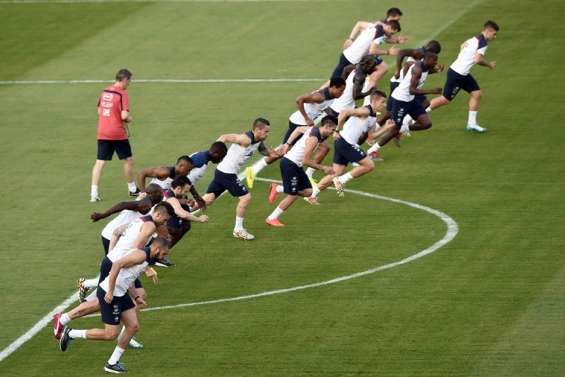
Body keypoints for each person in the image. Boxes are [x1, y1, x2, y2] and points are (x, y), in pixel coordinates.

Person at [53, 203, 174, 352]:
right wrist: (147, 268)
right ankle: (64, 320)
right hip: (120, 263)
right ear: (159, 214)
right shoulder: (149, 226)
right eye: (165, 219)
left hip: (118, 261)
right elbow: (137, 248)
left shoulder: (142, 219)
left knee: (133, 296)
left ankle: (127, 333)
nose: (165, 223)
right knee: (102, 301)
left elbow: (120, 233)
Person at [58, 238, 170, 374]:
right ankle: (71, 333)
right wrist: (110, 291)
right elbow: (116, 265)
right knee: (110, 334)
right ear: (157, 249)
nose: (164, 257)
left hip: (121, 293)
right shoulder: (141, 255)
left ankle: (112, 363)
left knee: (133, 326)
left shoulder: (148, 258)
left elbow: (128, 277)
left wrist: (136, 297)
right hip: (110, 293)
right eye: (164, 254)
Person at [244, 78, 346, 187]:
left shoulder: (331, 96)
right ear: (333, 87)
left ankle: (254, 170)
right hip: (299, 123)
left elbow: (323, 108)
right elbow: (299, 99)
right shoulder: (320, 97)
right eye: (340, 90)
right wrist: (306, 118)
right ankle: (307, 175)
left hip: (298, 122)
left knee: (285, 149)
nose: (342, 93)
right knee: (322, 148)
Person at [75, 183, 164, 303]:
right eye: (159, 194)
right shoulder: (145, 204)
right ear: (152, 194)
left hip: (119, 235)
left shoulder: (149, 203)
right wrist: (102, 215)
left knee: (117, 272)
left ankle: (90, 294)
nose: (162, 196)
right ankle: (88, 289)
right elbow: (122, 205)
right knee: (115, 272)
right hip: (114, 236)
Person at [201, 118, 277, 240]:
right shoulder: (245, 139)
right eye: (266, 131)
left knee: (208, 199)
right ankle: (238, 230)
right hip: (227, 173)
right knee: (245, 198)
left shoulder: (258, 140)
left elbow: (265, 151)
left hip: (223, 171)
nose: (267, 134)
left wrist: (279, 153)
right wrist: (215, 152)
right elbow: (224, 137)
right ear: (257, 129)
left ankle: (180, 211)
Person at [311, 91, 392, 198]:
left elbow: (371, 137)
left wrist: (386, 128)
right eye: (382, 102)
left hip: (342, 142)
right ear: (375, 101)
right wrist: (336, 130)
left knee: (336, 172)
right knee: (369, 165)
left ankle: (312, 195)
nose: (384, 105)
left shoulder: (373, 116)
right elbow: (344, 113)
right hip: (346, 142)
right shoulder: (365, 110)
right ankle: (340, 180)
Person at [427, 21, 499, 132]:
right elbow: (477, 59)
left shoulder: (474, 38)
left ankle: (472, 124)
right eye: (494, 34)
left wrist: (462, 58)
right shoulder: (483, 43)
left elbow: (462, 45)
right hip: (457, 74)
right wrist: (489, 65)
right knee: (445, 100)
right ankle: (413, 116)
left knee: (477, 94)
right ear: (488, 31)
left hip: (462, 73)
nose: (495, 37)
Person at [367, 51, 443, 156]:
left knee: (426, 124)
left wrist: (437, 69)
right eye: (434, 61)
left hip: (410, 100)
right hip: (400, 100)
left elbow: (407, 65)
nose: (436, 62)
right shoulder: (418, 69)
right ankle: (371, 151)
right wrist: (432, 91)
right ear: (427, 59)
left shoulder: (424, 67)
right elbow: (412, 90)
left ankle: (402, 128)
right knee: (393, 129)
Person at [266, 116, 337, 226]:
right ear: (327, 126)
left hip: (296, 165)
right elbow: (306, 161)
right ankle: (272, 218)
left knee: (308, 192)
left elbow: (298, 129)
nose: (333, 133)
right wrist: (323, 168)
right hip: (290, 164)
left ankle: (278, 188)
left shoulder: (314, 129)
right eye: (333, 130)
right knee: (292, 195)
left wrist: (287, 144)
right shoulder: (314, 139)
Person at [91, 69, 137, 202]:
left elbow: (100, 110)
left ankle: (93, 194)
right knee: (128, 159)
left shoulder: (105, 91)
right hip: (117, 132)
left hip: (102, 131)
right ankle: (132, 189)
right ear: (124, 79)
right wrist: (129, 119)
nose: (130, 83)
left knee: (100, 162)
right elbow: (124, 115)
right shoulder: (122, 94)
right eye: (129, 80)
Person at [330, 20, 401, 81]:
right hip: (351, 59)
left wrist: (350, 39)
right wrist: (388, 52)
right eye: (392, 33)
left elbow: (359, 23)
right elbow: (372, 51)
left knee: (380, 69)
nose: (391, 35)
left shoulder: (376, 26)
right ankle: (322, 93)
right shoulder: (380, 34)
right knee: (336, 80)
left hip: (349, 56)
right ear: (388, 27)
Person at [163, 176, 209, 250]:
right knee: (174, 230)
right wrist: (199, 219)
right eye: (185, 191)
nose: (185, 194)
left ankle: (163, 251)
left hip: (159, 223)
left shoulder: (170, 193)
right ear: (178, 188)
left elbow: (179, 204)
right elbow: (182, 214)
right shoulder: (170, 197)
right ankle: (160, 252)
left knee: (185, 226)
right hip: (154, 226)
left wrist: (185, 202)